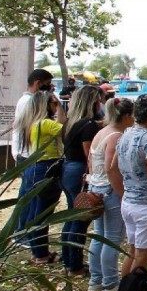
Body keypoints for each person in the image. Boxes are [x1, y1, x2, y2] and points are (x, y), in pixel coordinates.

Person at [108, 94, 147, 273]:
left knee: (133, 251)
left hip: (129, 202)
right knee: (142, 258)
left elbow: (112, 168)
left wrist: (124, 192)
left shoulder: (125, 135)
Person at [86, 98, 132, 291]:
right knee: (112, 238)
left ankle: (96, 279)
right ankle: (109, 282)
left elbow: (90, 159)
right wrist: (122, 193)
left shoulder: (100, 133)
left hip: (95, 186)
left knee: (99, 235)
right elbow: (111, 168)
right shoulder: (116, 136)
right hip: (109, 189)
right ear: (127, 116)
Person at [18, 90, 67, 265]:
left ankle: (39, 251)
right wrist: (61, 106)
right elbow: (64, 127)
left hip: (35, 167)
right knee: (42, 213)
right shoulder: (45, 124)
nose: (56, 106)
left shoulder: (32, 122)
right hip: (46, 168)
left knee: (35, 211)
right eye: (53, 103)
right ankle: (40, 253)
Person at [59, 86, 102, 275]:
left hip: (68, 169)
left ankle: (68, 259)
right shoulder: (88, 125)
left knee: (71, 215)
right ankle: (74, 263)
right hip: (79, 171)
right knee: (80, 219)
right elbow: (89, 155)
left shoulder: (71, 122)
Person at [12, 69, 55, 237]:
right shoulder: (28, 102)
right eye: (48, 85)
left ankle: (22, 231)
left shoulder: (30, 100)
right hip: (27, 153)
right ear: (38, 83)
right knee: (28, 196)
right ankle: (21, 232)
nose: (50, 89)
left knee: (28, 195)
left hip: (29, 153)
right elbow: (24, 127)